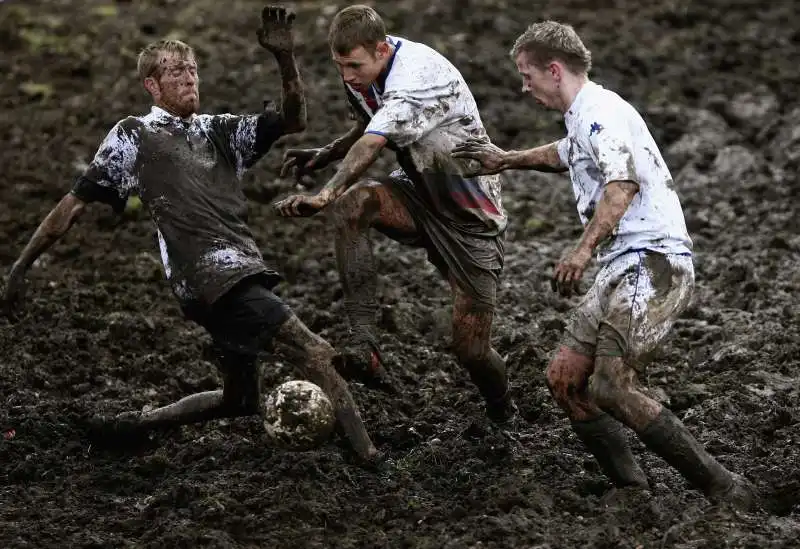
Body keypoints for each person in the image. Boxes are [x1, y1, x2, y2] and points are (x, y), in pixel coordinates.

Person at [1, 6, 378, 463]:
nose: (189, 79)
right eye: (176, 72)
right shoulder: (133, 135)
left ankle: (134, 426)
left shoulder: (216, 132)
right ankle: (370, 458)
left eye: (193, 70)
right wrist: (19, 270)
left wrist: (285, 59)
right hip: (215, 279)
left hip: (229, 277)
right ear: (152, 86)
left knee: (237, 400)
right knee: (316, 353)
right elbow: (71, 207)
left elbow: (293, 120)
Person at [451, 21, 757, 507]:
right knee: (564, 379)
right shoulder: (584, 117)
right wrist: (504, 159)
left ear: (554, 70)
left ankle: (728, 489)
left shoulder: (601, 114)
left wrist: (580, 251)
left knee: (611, 385)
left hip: (653, 262)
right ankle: (633, 492)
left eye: (527, 76)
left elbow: (621, 187)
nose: (522, 87)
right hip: (624, 264)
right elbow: (566, 154)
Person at [272, 4, 517, 424]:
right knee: (357, 203)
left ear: (383, 50)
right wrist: (326, 153)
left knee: (471, 349)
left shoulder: (417, 78)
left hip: (469, 214)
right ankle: (364, 345)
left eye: (353, 65)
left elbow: (373, 142)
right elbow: (366, 123)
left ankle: (502, 408)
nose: (347, 75)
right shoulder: (363, 70)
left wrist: (326, 192)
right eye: (340, 65)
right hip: (417, 193)